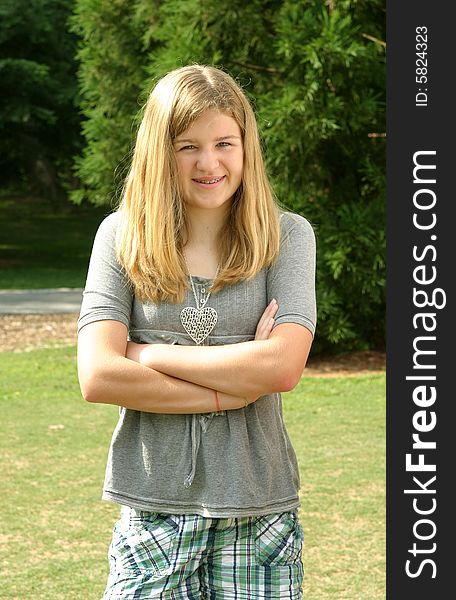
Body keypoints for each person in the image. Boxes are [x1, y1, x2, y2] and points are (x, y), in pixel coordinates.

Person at [77, 64, 316, 600]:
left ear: (246, 146)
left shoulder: (287, 236)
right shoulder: (120, 237)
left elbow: (281, 367)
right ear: (162, 153)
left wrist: (145, 352)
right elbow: (97, 376)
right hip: (154, 514)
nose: (209, 163)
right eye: (188, 146)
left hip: (259, 513)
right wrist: (229, 389)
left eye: (224, 143)